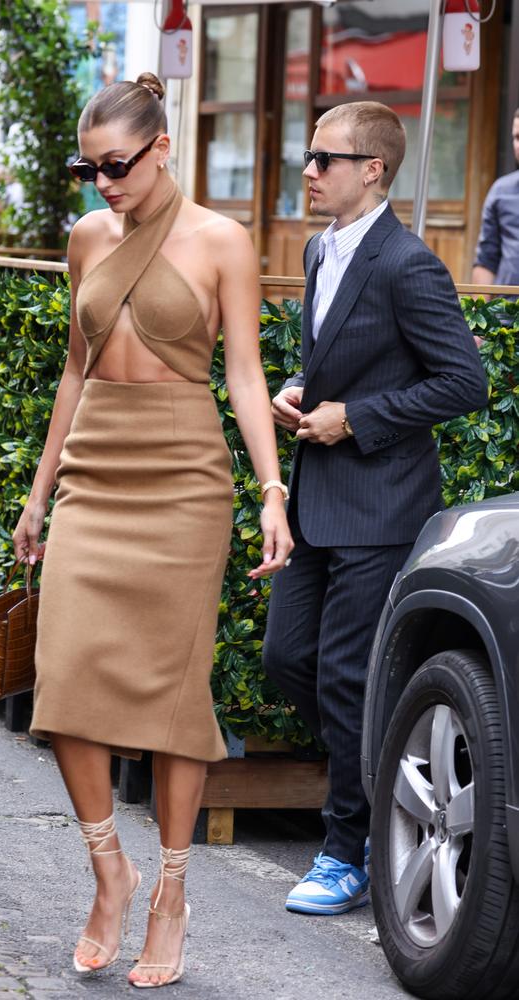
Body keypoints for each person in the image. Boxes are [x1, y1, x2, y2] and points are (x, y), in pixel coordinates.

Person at [12, 72, 293, 988]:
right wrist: (40, 488)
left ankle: (170, 896)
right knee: (63, 681)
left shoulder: (223, 241)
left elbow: (246, 376)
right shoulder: (88, 237)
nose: (105, 185)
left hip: (184, 481)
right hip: (97, 471)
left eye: (119, 166)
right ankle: (110, 872)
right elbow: (72, 371)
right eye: (90, 169)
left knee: (177, 699)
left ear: (163, 148)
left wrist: (269, 490)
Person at [262, 100, 488, 917]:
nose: (310, 171)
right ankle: (383, 782)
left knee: (350, 679)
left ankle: (346, 849)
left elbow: (466, 382)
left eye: (325, 158)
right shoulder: (321, 249)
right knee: (289, 661)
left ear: (374, 171)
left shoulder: (408, 263)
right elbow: (327, 360)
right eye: (309, 156)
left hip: (382, 506)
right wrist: (300, 389)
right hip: (319, 500)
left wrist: (355, 419)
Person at [472, 107, 519, 289]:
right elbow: (486, 260)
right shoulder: (501, 191)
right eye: (517, 137)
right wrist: (478, 313)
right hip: (507, 312)